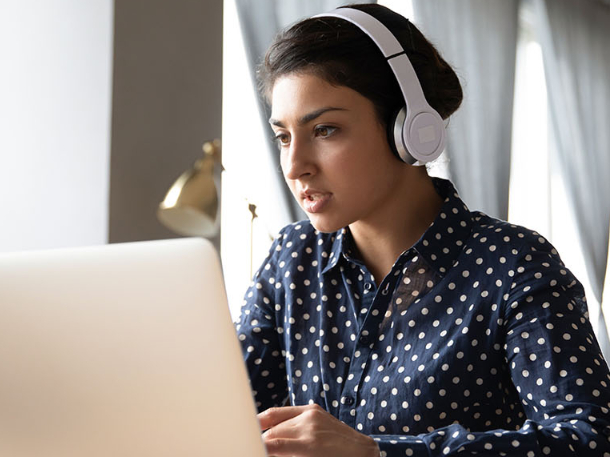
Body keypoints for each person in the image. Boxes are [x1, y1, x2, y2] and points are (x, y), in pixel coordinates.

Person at [235, 4, 610, 456]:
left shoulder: (512, 265)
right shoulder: (292, 259)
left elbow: (588, 438)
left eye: (326, 129)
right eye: (284, 137)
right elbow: (227, 411)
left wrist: (377, 453)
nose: (295, 167)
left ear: (411, 129)